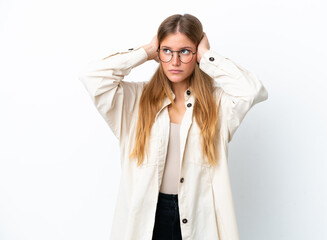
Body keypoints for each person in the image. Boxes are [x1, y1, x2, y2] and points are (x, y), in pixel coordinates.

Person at [78, 13, 268, 240]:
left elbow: (252, 91)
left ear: (196, 53)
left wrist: (207, 56)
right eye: (167, 51)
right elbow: (91, 77)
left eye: (185, 51)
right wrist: (145, 52)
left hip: (198, 217)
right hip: (148, 218)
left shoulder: (217, 104)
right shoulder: (135, 101)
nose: (175, 61)